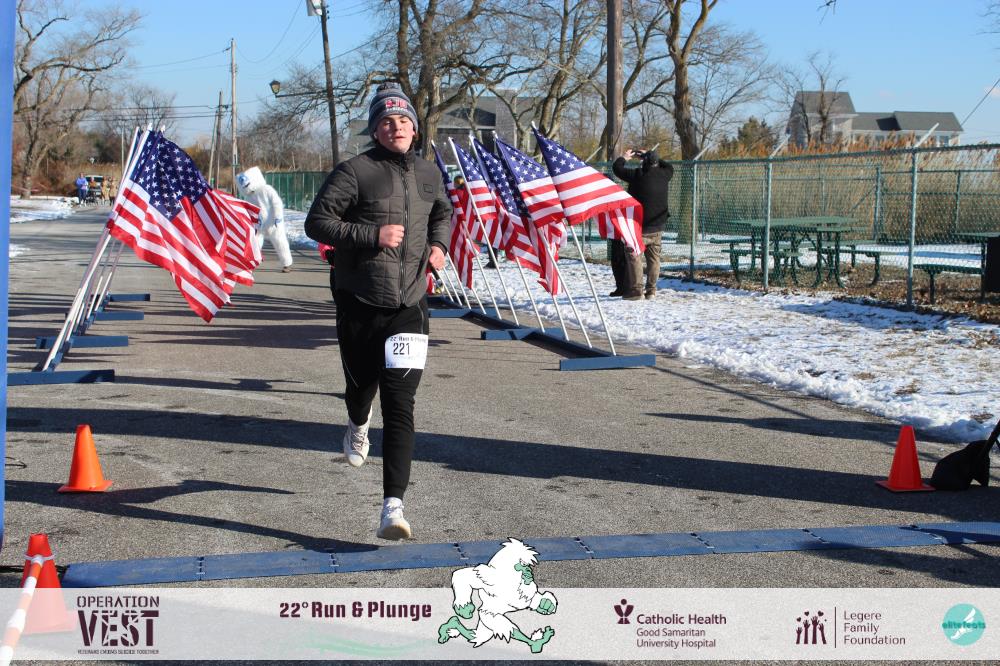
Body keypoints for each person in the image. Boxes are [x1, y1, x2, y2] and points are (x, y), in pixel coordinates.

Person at [304, 82, 451, 540]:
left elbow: (443, 212)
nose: (396, 127)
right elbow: (317, 223)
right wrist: (372, 235)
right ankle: (356, 422)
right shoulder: (355, 171)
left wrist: (439, 246)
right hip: (360, 300)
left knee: (400, 402)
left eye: (404, 120)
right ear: (375, 129)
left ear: (414, 127)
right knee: (360, 387)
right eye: (387, 121)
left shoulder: (428, 172)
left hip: (410, 303)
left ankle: (393, 507)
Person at [612, 148, 674, 300]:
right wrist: (652, 156)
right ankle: (651, 290)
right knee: (654, 259)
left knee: (634, 256)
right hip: (658, 225)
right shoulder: (664, 174)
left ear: (644, 163)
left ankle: (636, 290)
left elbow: (617, 168)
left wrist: (624, 157)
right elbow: (669, 166)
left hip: (639, 226)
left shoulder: (638, 175)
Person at [236, 166, 294, 273]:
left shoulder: (267, 189)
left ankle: (287, 263)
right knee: (255, 244)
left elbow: (277, 203)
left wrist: (277, 216)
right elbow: (249, 210)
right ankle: (251, 262)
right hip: (259, 225)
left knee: (280, 242)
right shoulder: (249, 197)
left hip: (273, 223)